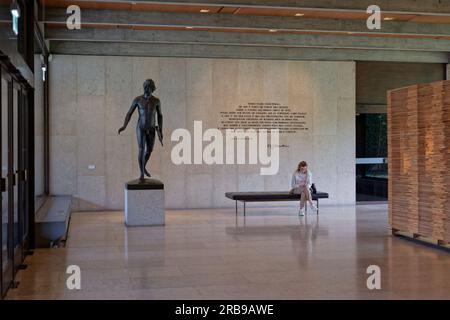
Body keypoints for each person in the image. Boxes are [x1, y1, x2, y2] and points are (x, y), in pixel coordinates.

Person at [118, 79, 163, 180]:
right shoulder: (138, 100)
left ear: (152, 88)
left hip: (151, 128)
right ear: (144, 87)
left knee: (150, 150)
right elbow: (129, 113)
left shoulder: (156, 101)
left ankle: (143, 166)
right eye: (145, 87)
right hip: (141, 128)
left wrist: (161, 130)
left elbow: (160, 116)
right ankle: (142, 173)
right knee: (141, 149)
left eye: (149, 87)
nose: (147, 89)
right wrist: (124, 126)